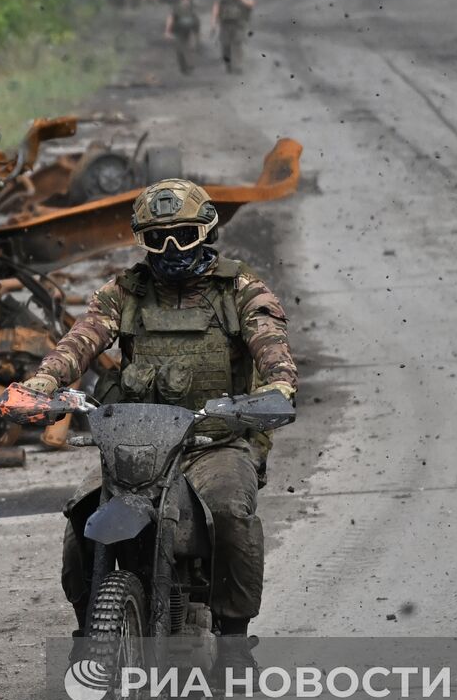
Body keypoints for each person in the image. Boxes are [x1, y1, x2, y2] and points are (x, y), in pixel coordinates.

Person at [20, 178, 297, 653]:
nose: (171, 249)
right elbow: (83, 337)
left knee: (231, 512)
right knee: (82, 514)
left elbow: (269, 342)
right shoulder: (125, 291)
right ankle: (93, 632)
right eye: (157, 239)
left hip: (214, 443)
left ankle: (233, 638)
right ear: (141, 242)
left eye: (183, 235)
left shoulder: (239, 288)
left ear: (206, 231)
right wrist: (44, 382)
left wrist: (276, 385)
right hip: (139, 445)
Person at [211, 0, 254, 73]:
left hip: (239, 22)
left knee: (238, 43)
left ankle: (238, 65)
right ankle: (228, 64)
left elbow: (251, 3)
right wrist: (213, 22)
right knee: (225, 45)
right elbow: (216, 5)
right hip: (225, 23)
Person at [164, 0, 201, 75]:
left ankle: (190, 65)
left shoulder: (192, 2)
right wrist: (167, 31)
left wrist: (197, 30)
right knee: (180, 50)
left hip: (190, 28)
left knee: (189, 47)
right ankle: (184, 67)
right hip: (178, 29)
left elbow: (195, 16)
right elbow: (171, 17)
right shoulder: (175, 3)